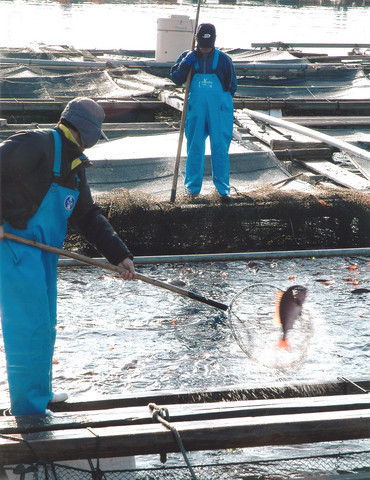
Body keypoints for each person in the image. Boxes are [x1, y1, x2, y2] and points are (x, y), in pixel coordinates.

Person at [0, 97, 135, 416]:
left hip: (44, 255)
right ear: (86, 131)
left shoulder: (75, 167)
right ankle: (28, 411)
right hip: (15, 246)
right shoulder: (36, 144)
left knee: (46, 323)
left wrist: (119, 255)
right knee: (28, 326)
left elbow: (87, 215)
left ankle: (41, 392)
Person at [170, 23, 237, 201]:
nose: (205, 47)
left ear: (214, 40)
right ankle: (191, 190)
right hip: (196, 111)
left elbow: (232, 86)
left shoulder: (224, 60)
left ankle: (223, 191)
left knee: (220, 149)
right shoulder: (187, 56)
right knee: (194, 148)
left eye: (208, 43)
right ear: (196, 40)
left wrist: (221, 102)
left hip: (219, 111)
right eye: (202, 43)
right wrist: (185, 64)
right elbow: (176, 78)